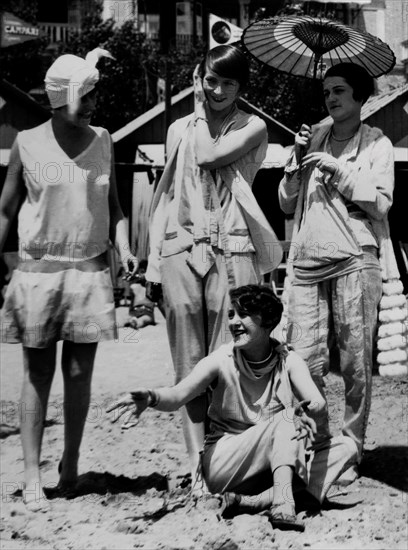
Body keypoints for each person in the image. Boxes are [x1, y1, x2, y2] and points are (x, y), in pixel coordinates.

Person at [0, 48, 138, 512]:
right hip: (37, 273)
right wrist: (6, 267)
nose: (96, 104)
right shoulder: (28, 141)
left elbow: (115, 208)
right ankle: (31, 472)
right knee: (38, 373)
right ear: (64, 96)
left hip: (90, 271)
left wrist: (126, 245)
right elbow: (6, 210)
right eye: (88, 95)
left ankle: (71, 464)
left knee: (79, 374)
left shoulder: (104, 140)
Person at [107, 285, 357, 532]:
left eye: (243, 314)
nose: (234, 322)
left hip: (271, 463)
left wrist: (309, 410)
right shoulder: (221, 359)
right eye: (231, 315)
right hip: (225, 463)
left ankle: (255, 502)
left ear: (267, 321)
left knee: (346, 447)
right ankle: (283, 504)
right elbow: (177, 396)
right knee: (286, 421)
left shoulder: (288, 360)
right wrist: (150, 397)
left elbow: (317, 401)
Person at [145, 45, 282, 482]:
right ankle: (195, 464)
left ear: (241, 87)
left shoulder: (253, 127)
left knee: (231, 358)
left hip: (234, 250)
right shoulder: (177, 129)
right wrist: (153, 261)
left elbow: (206, 155)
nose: (218, 89)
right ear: (198, 76)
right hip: (181, 250)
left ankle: (229, 456)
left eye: (228, 82)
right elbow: (166, 195)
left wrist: (200, 107)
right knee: (188, 363)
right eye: (210, 79)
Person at [278, 62, 405, 485]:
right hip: (310, 256)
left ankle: (351, 448)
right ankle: (318, 441)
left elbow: (382, 204)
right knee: (305, 356)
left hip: (357, 254)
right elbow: (284, 203)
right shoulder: (312, 138)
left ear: (360, 97)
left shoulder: (377, 143)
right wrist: (297, 161)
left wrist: (340, 171)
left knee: (354, 359)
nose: (330, 99)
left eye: (339, 91)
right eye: (327, 92)